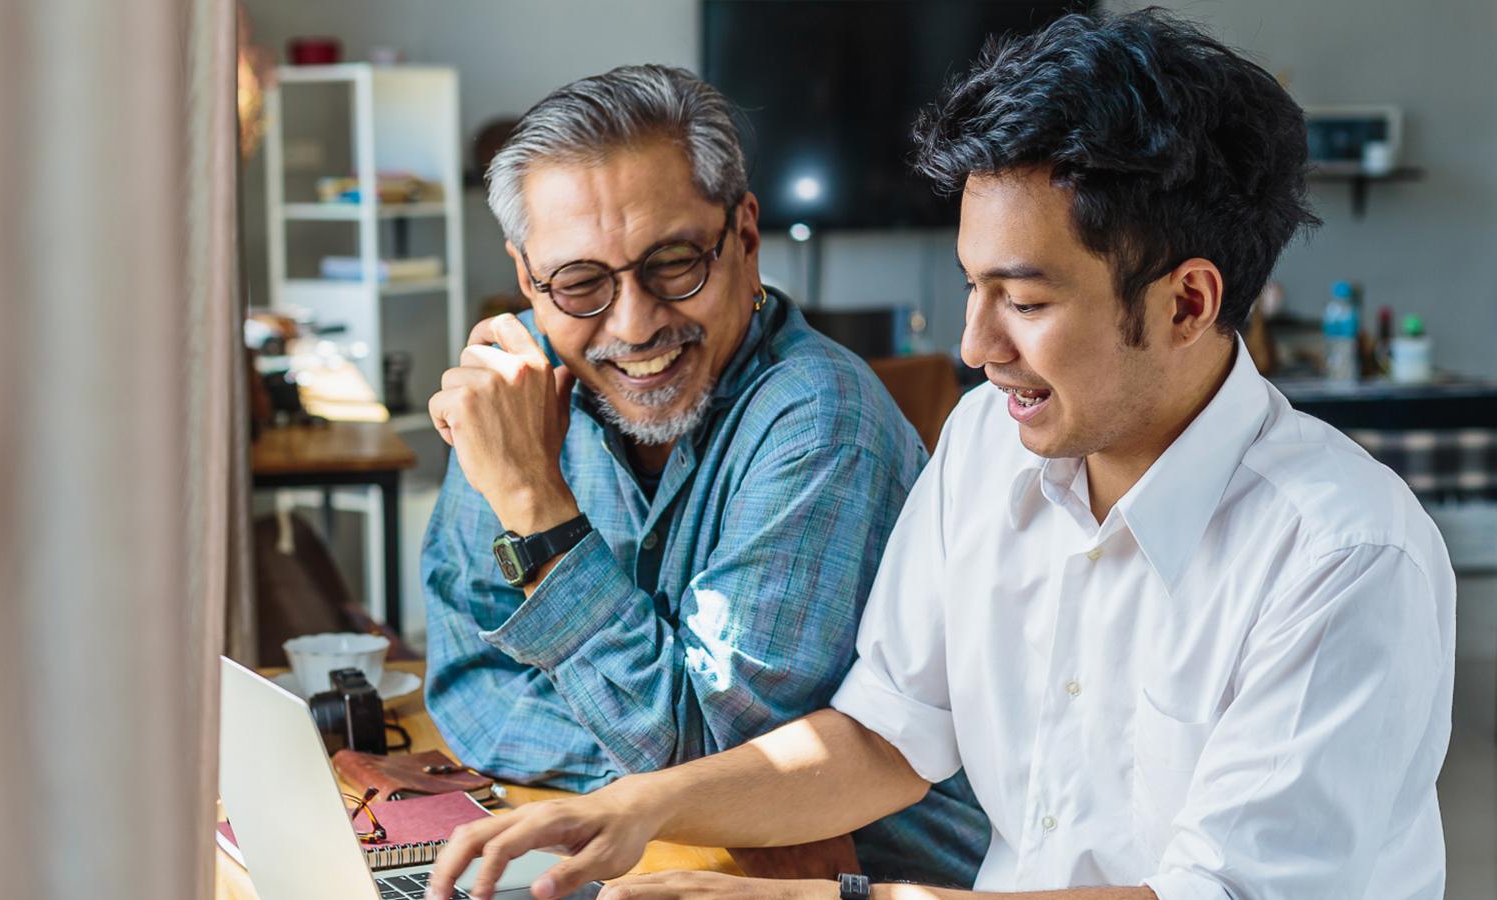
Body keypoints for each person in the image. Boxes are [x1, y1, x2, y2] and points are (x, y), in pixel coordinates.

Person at [427, 12, 1456, 900]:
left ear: (1186, 301)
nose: (974, 348)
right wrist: (635, 809)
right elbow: (882, 738)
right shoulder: (986, 448)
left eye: (1026, 300)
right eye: (972, 289)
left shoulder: (1342, 555)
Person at [419, 64, 987, 886]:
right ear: (527, 281)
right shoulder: (512, 391)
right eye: (580, 283)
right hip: (651, 857)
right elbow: (468, 684)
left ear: (745, 238)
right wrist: (651, 778)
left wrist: (533, 504)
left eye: (674, 263)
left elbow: (712, 754)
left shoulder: (821, 415)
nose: (635, 322)